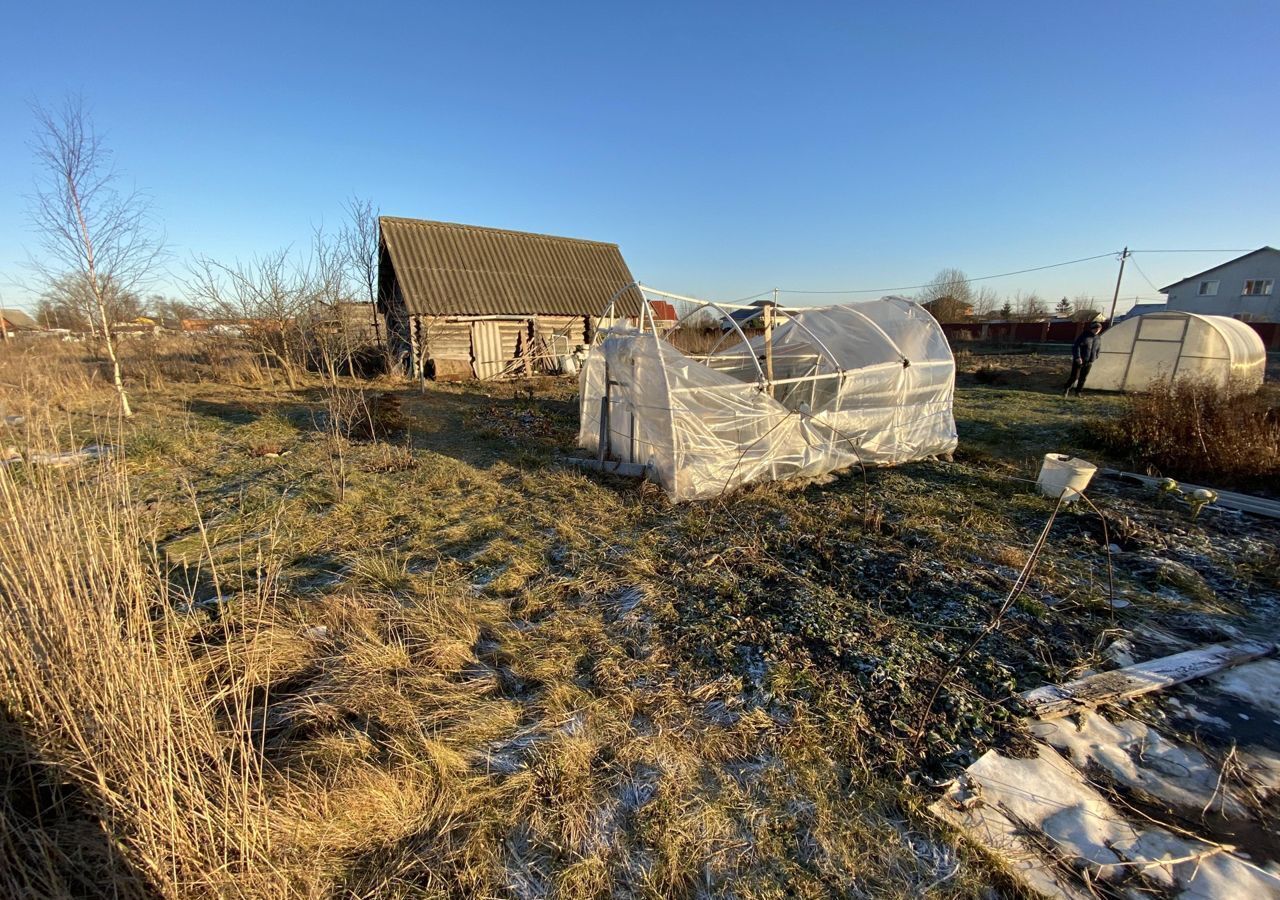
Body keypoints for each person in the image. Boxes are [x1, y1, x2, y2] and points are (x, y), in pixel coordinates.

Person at [1064, 320, 1103, 396]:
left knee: (1083, 378)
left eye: (1099, 329)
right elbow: (1076, 346)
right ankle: (1066, 389)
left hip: (1089, 361)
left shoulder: (1098, 338)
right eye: (1095, 329)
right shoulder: (1084, 336)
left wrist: (1096, 356)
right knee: (1074, 377)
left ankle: (1078, 392)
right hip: (1080, 360)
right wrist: (1078, 357)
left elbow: (1098, 348)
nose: (1097, 330)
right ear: (1092, 328)